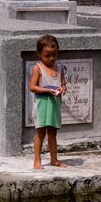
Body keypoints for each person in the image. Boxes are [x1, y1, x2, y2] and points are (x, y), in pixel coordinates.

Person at [29, 34, 67, 169]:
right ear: (40, 54)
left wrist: (62, 89)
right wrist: (47, 91)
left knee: (53, 132)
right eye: (47, 55)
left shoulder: (60, 68)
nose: (51, 58)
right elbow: (32, 87)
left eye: (54, 55)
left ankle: (54, 159)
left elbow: (63, 85)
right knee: (40, 132)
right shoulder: (37, 68)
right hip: (42, 104)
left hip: (55, 104)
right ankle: (37, 160)